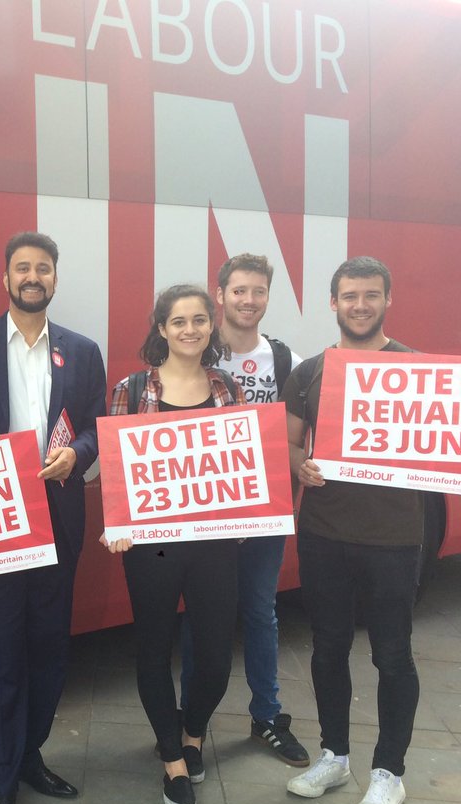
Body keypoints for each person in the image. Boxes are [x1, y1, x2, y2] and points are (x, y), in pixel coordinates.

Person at [285, 256, 461, 804]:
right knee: (327, 648)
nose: (360, 305)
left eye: (371, 295)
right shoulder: (312, 372)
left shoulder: (420, 371)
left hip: (395, 540)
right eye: (350, 296)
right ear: (333, 302)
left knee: (393, 655)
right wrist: (302, 465)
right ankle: (334, 755)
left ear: (387, 300)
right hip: (323, 533)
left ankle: (389, 773)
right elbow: (290, 445)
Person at [0, 231, 105, 804]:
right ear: (5, 278)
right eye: (21, 268)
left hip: (58, 514)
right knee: (2, 652)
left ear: (55, 279)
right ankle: (0, 780)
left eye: (42, 268)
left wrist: (78, 456)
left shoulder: (82, 351)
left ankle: (30, 752)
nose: (32, 277)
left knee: (50, 649)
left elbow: (96, 427)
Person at [101, 284, 241, 804]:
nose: (189, 330)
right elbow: (116, 466)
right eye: (178, 321)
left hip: (213, 544)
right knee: (155, 647)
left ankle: (193, 728)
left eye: (199, 320)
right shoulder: (132, 389)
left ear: (211, 326)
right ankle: (172, 757)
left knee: (214, 656)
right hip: (154, 548)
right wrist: (116, 522)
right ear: (161, 328)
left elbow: (244, 464)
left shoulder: (227, 387)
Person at [179, 253, 308, 767]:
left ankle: (267, 716)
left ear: (267, 297)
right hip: (204, 512)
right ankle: (192, 722)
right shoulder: (194, 353)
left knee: (259, 611)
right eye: (238, 291)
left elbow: (297, 437)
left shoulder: (285, 361)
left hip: (262, 509)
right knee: (199, 615)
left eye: (257, 291)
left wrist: (305, 472)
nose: (248, 300)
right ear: (221, 295)